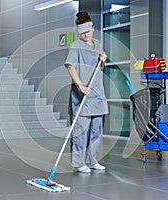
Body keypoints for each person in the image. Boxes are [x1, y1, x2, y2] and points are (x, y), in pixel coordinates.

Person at [65, 11, 108, 173]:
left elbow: (100, 69)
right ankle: (78, 163)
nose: (85, 36)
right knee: (80, 131)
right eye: (82, 33)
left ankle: (92, 160)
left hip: (97, 93)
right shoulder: (75, 45)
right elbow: (70, 66)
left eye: (87, 32)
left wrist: (103, 61)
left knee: (96, 130)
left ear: (93, 28)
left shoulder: (98, 44)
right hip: (81, 94)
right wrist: (80, 86)